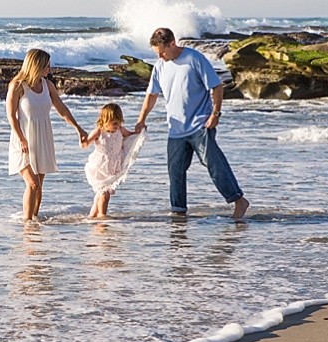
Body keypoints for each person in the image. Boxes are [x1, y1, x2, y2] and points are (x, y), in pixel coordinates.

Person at [133, 28, 249, 219]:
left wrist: (216, 113)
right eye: (157, 53)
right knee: (175, 171)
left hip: (200, 125)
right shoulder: (160, 66)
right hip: (176, 129)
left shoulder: (194, 58)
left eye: (162, 52)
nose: (160, 57)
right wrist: (141, 120)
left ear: (172, 43)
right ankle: (178, 211)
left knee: (213, 164)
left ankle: (238, 200)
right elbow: (151, 95)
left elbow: (216, 86)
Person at [7, 48, 87, 221]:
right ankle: (27, 223)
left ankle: (34, 221)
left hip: (43, 138)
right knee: (32, 183)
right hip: (23, 140)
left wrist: (78, 129)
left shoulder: (47, 85)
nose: (49, 69)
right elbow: (11, 116)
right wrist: (21, 138)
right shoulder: (17, 86)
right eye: (46, 65)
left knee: (39, 185)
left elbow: (62, 109)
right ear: (36, 65)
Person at [81, 102, 147, 218]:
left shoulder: (120, 130)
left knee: (101, 194)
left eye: (119, 121)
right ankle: (102, 217)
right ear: (105, 120)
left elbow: (131, 136)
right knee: (104, 194)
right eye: (114, 122)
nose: (117, 125)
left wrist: (140, 132)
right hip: (100, 168)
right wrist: (82, 140)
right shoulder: (99, 132)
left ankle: (92, 217)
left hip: (112, 168)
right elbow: (85, 144)